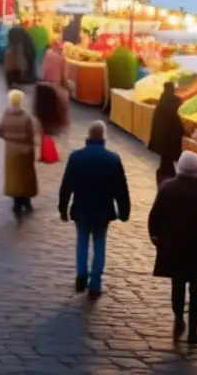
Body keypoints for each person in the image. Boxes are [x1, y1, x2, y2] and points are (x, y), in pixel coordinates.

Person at [148, 150, 197, 344]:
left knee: (178, 285)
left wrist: (155, 236)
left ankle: (178, 317)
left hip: (173, 244)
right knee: (196, 288)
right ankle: (193, 332)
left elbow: (155, 216)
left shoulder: (167, 188)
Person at [59, 120, 131, 299]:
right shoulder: (113, 159)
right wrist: (124, 211)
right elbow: (121, 188)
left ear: (88, 136)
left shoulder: (76, 157)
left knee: (82, 242)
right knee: (100, 245)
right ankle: (95, 284)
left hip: (82, 208)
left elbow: (67, 185)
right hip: (103, 210)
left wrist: (63, 207)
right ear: (103, 137)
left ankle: (81, 275)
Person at [0, 90, 37, 219]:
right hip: (25, 150)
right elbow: (30, 135)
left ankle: (16, 204)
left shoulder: (6, 115)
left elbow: (0, 132)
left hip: (10, 150)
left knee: (14, 178)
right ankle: (26, 203)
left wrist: (9, 139)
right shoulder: (26, 117)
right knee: (25, 177)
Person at [149, 81, 185, 187]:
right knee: (169, 156)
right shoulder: (176, 100)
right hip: (171, 136)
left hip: (162, 135)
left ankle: (166, 175)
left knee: (165, 157)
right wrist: (183, 130)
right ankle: (170, 177)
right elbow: (177, 118)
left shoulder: (162, 99)